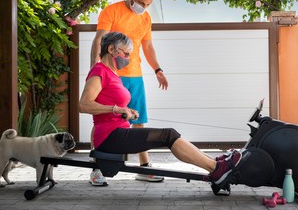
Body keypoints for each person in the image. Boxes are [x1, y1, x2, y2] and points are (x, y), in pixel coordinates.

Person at [79, 32, 243, 189]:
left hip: (118, 132)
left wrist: (127, 110)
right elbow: (84, 105)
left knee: (170, 134)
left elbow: (108, 102)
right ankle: (217, 169)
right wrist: (116, 109)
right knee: (168, 135)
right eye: (126, 53)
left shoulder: (112, 73)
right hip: (109, 137)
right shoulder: (99, 71)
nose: (128, 58)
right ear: (111, 49)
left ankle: (217, 165)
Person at [88, 0, 167, 185]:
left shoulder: (146, 18)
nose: (144, 7)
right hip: (112, 74)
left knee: (139, 121)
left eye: (148, 4)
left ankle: (144, 168)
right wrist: (94, 69)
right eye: (141, 2)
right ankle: (96, 168)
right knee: (103, 119)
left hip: (135, 75)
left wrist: (157, 69)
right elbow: (99, 40)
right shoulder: (111, 11)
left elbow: (148, 47)